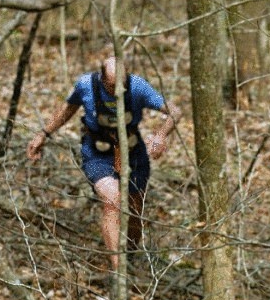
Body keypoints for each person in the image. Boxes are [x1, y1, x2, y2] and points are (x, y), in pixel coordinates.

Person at [26, 55, 181, 272]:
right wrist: (43, 134)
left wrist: (160, 135)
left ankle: (132, 251)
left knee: (135, 212)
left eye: (122, 85)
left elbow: (175, 111)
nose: (118, 91)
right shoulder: (85, 85)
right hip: (98, 153)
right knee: (113, 200)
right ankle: (120, 271)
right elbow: (67, 109)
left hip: (132, 152)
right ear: (101, 78)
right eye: (111, 86)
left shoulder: (137, 86)